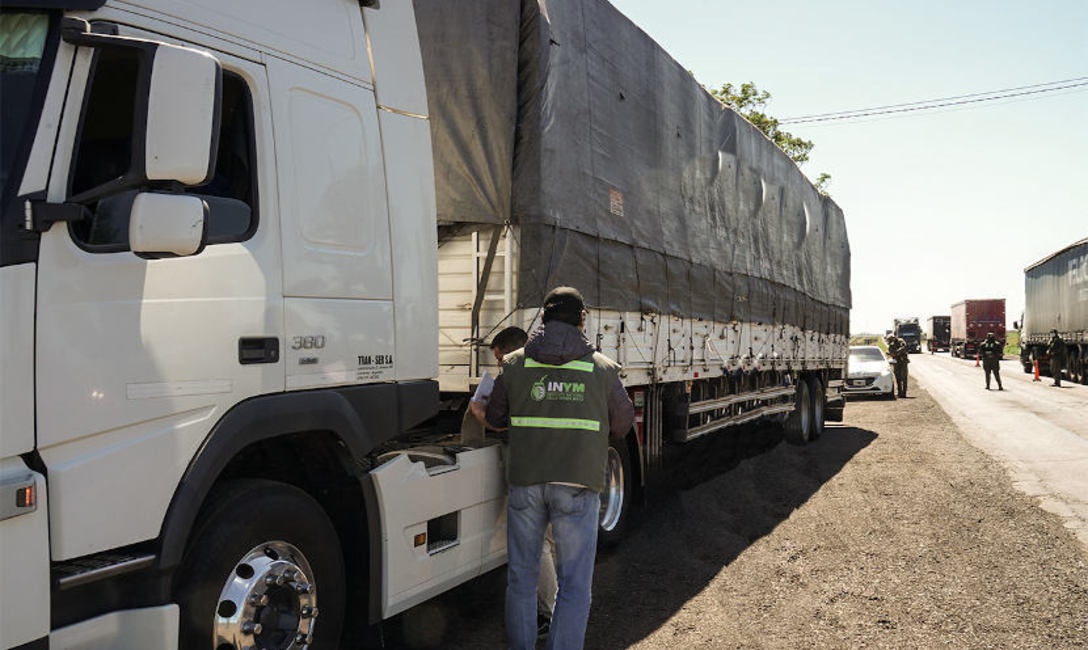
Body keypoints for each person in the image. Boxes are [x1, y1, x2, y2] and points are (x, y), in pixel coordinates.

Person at [487, 286, 634, 650]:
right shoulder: (601, 369)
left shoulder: (516, 363)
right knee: (574, 586)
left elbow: (494, 417)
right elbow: (623, 424)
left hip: (526, 483)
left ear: (544, 319)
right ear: (582, 319)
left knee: (521, 580)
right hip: (578, 485)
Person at [463, 327, 558, 635]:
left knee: (537, 545)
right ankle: (556, 609)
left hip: (531, 471)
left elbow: (497, 422)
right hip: (563, 466)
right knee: (552, 541)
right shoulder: (555, 374)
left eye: (500, 359)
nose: (500, 365)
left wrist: (478, 409)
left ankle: (551, 614)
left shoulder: (510, 378)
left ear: (510, 352)